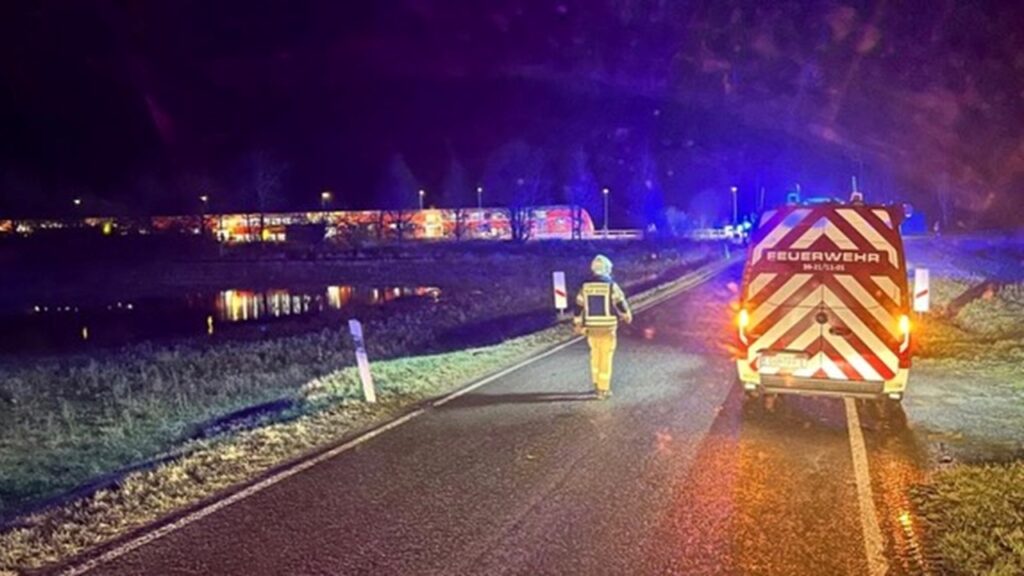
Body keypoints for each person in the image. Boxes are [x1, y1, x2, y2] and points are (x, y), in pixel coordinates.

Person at [573, 254, 633, 400]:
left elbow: (578, 306)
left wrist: (577, 323)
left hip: (591, 327)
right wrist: (626, 315)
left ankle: (596, 383)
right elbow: (619, 303)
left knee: (595, 354)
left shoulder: (585, 286)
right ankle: (603, 389)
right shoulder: (611, 286)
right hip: (607, 327)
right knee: (605, 356)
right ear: (607, 269)